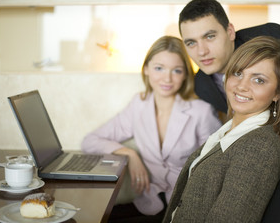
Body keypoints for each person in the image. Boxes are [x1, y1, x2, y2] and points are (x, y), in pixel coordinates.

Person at [178, 0, 280, 200]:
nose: (201, 51)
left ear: (230, 32)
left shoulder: (274, 40)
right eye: (191, 42)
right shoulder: (203, 85)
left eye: (210, 36)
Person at [81, 35, 222, 222]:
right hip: (150, 201)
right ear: (146, 69)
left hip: (186, 206)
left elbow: (218, 164)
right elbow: (90, 141)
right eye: (159, 68)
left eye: (177, 70)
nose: (167, 78)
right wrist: (128, 153)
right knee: (93, 217)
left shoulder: (201, 111)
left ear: (186, 74)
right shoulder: (139, 105)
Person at [163, 36, 280, 222]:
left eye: (258, 80)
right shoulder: (229, 130)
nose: (242, 86)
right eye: (238, 73)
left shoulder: (259, 148)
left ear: (277, 93)